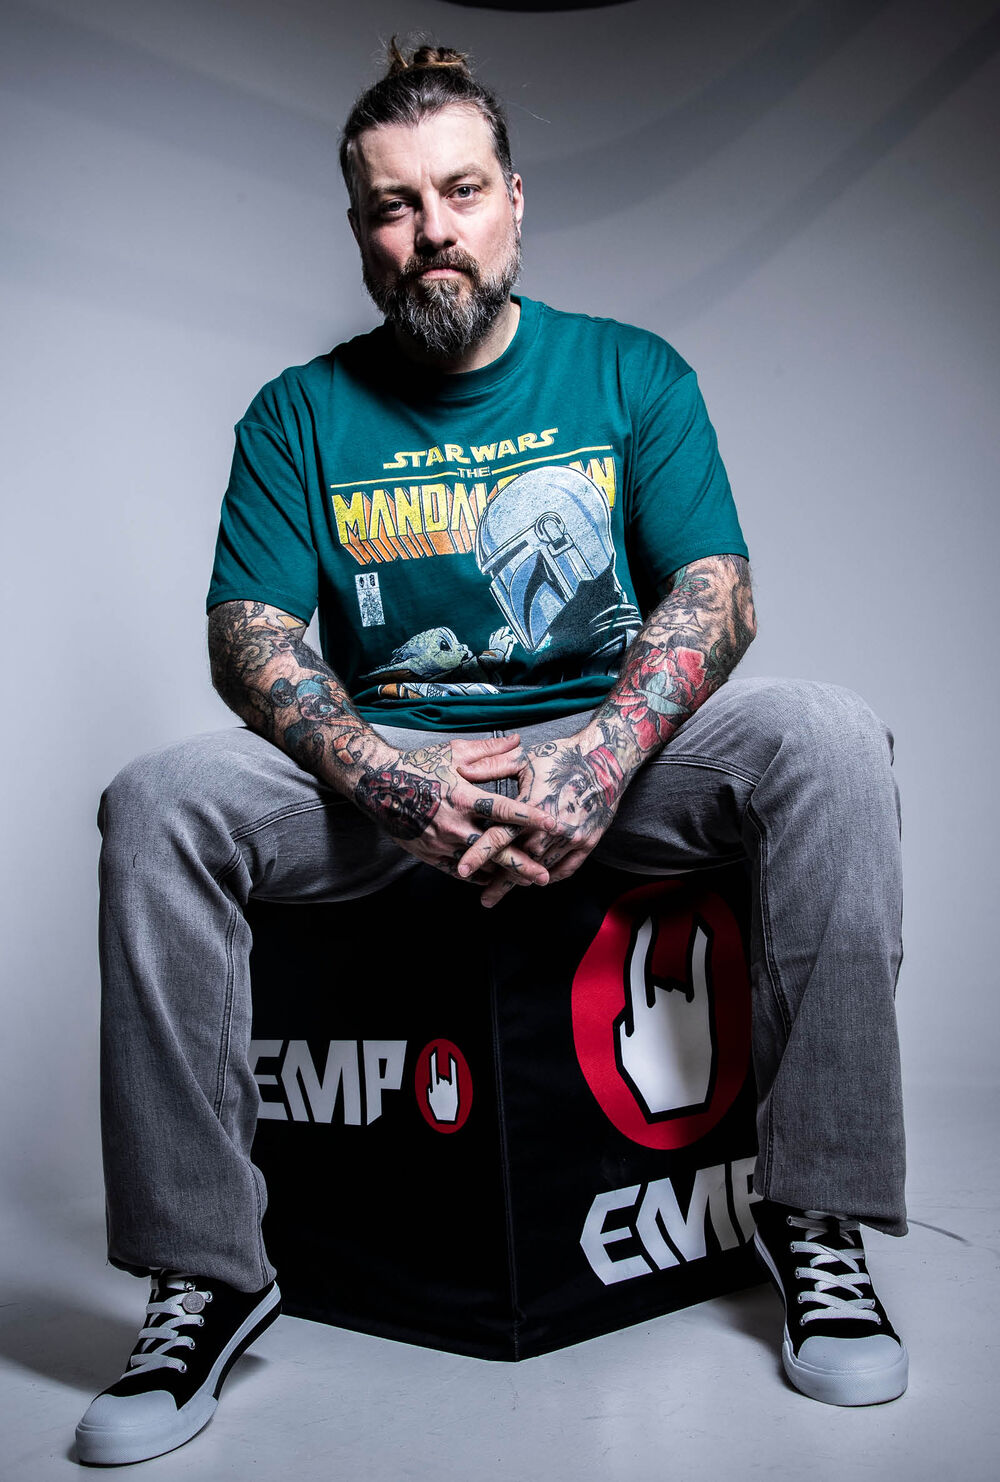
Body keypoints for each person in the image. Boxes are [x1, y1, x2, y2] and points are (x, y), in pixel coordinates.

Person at [75, 41, 908, 1468]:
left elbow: (718, 592)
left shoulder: (629, 372)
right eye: (394, 206)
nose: (432, 231)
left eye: (460, 191)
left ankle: (818, 1219)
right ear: (359, 232)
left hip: (614, 749)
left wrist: (601, 759)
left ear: (514, 200)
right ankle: (206, 1272)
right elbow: (248, 635)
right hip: (393, 768)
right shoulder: (298, 413)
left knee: (829, 739)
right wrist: (386, 778)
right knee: (157, 802)